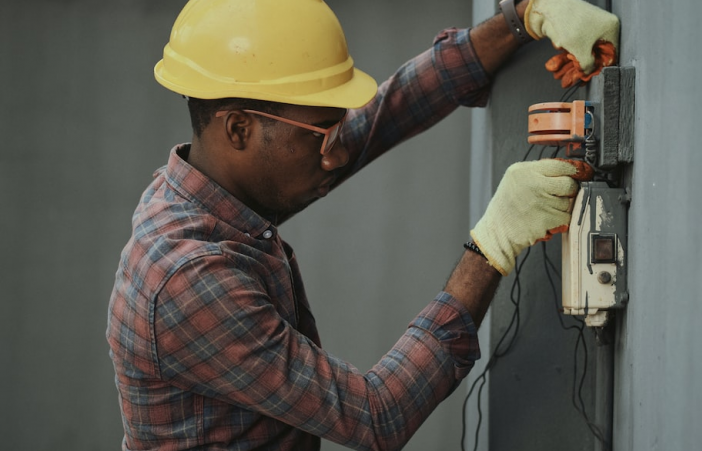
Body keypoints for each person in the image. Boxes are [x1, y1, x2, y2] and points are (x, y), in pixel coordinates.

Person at [106, 0, 619, 449]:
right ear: (239, 128)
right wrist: (491, 246)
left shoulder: (211, 188)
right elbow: (376, 416)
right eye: (320, 136)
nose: (334, 156)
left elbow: (387, 111)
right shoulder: (190, 279)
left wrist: (521, 18)